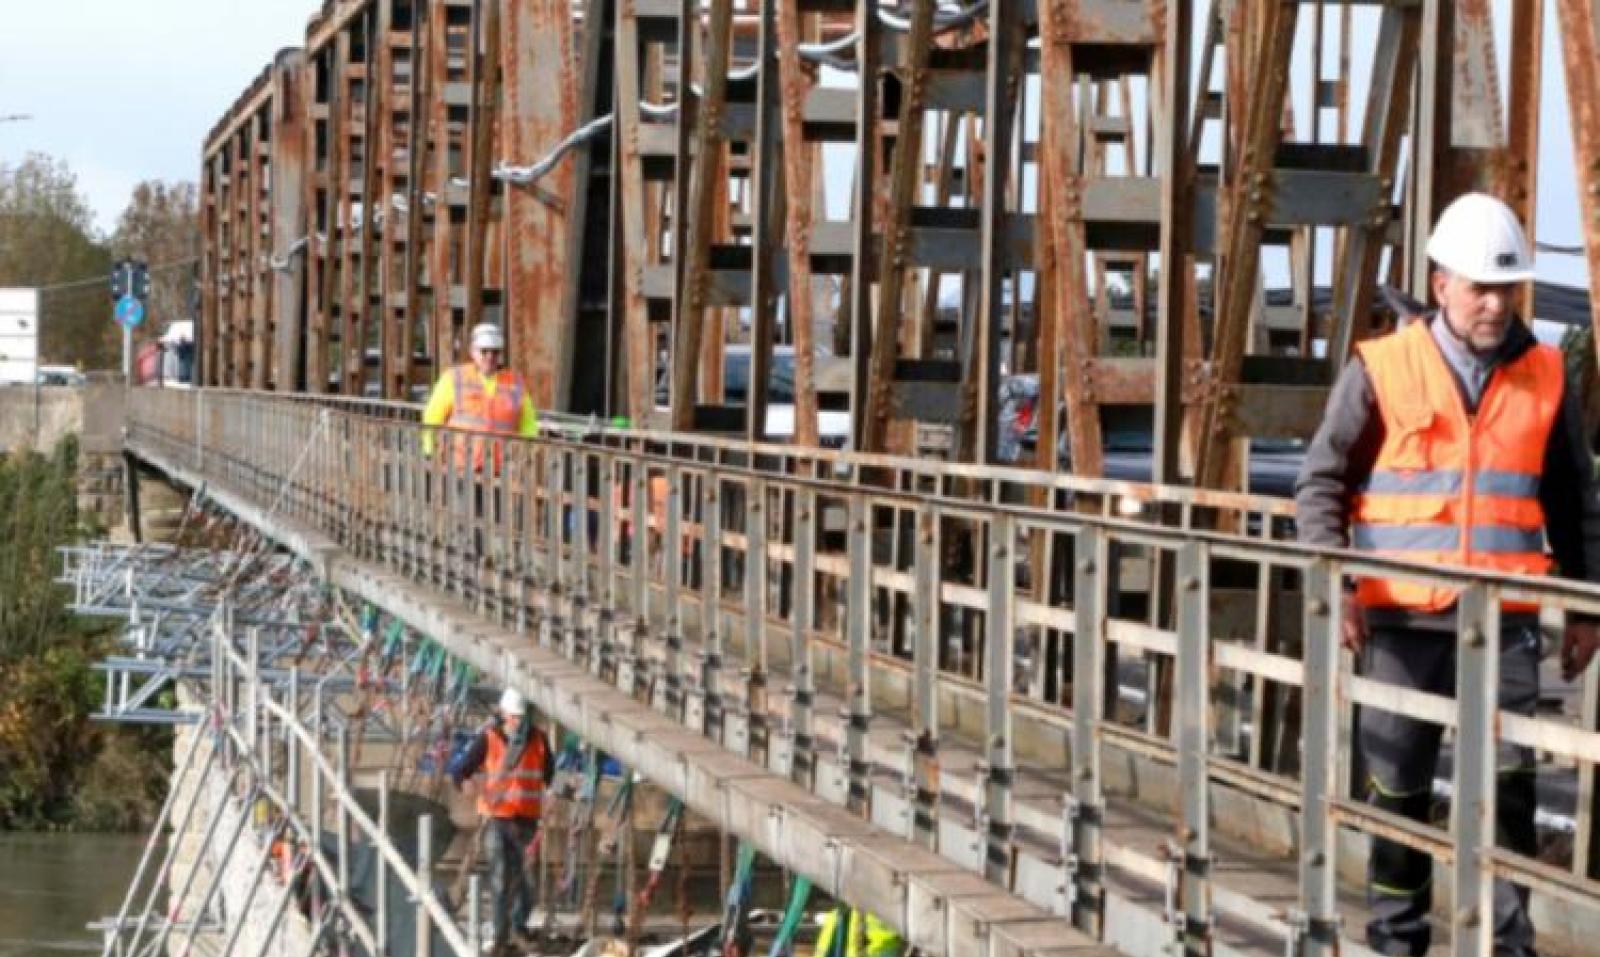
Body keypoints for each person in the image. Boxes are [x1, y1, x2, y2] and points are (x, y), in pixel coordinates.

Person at [1295, 191, 1600, 957]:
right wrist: (1337, 584)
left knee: (1507, 792)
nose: (1495, 303)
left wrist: (1589, 605)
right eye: (1479, 287)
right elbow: (1320, 483)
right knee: (1397, 790)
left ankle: (1509, 944)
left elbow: (1574, 498)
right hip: (1401, 618)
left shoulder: (1545, 374)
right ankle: (1398, 942)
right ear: (1441, 285)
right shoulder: (1382, 368)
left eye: (1507, 287)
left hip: (1504, 624)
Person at [449, 688, 553, 956]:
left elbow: (550, 776)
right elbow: (460, 771)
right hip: (496, 820)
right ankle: (500, 937)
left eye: (522, 717)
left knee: (528, 878)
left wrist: (562, 790)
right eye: (514, 717)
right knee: (500, 879)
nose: (518, 722)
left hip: (527, 821)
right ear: (504, 715)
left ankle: (519, 927)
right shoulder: (489, 739)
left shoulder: (539, 740)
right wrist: (467, 784)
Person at [422, 322, 539, 471]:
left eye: (495, 352)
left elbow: (528, 424)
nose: (490, 357)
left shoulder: (516, 384)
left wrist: (527, 456)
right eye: (484, 351)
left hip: (500, 470)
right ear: (473, 351)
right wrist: (429, 450)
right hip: (460, 467)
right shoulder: (453, 379)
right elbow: (432, 417)